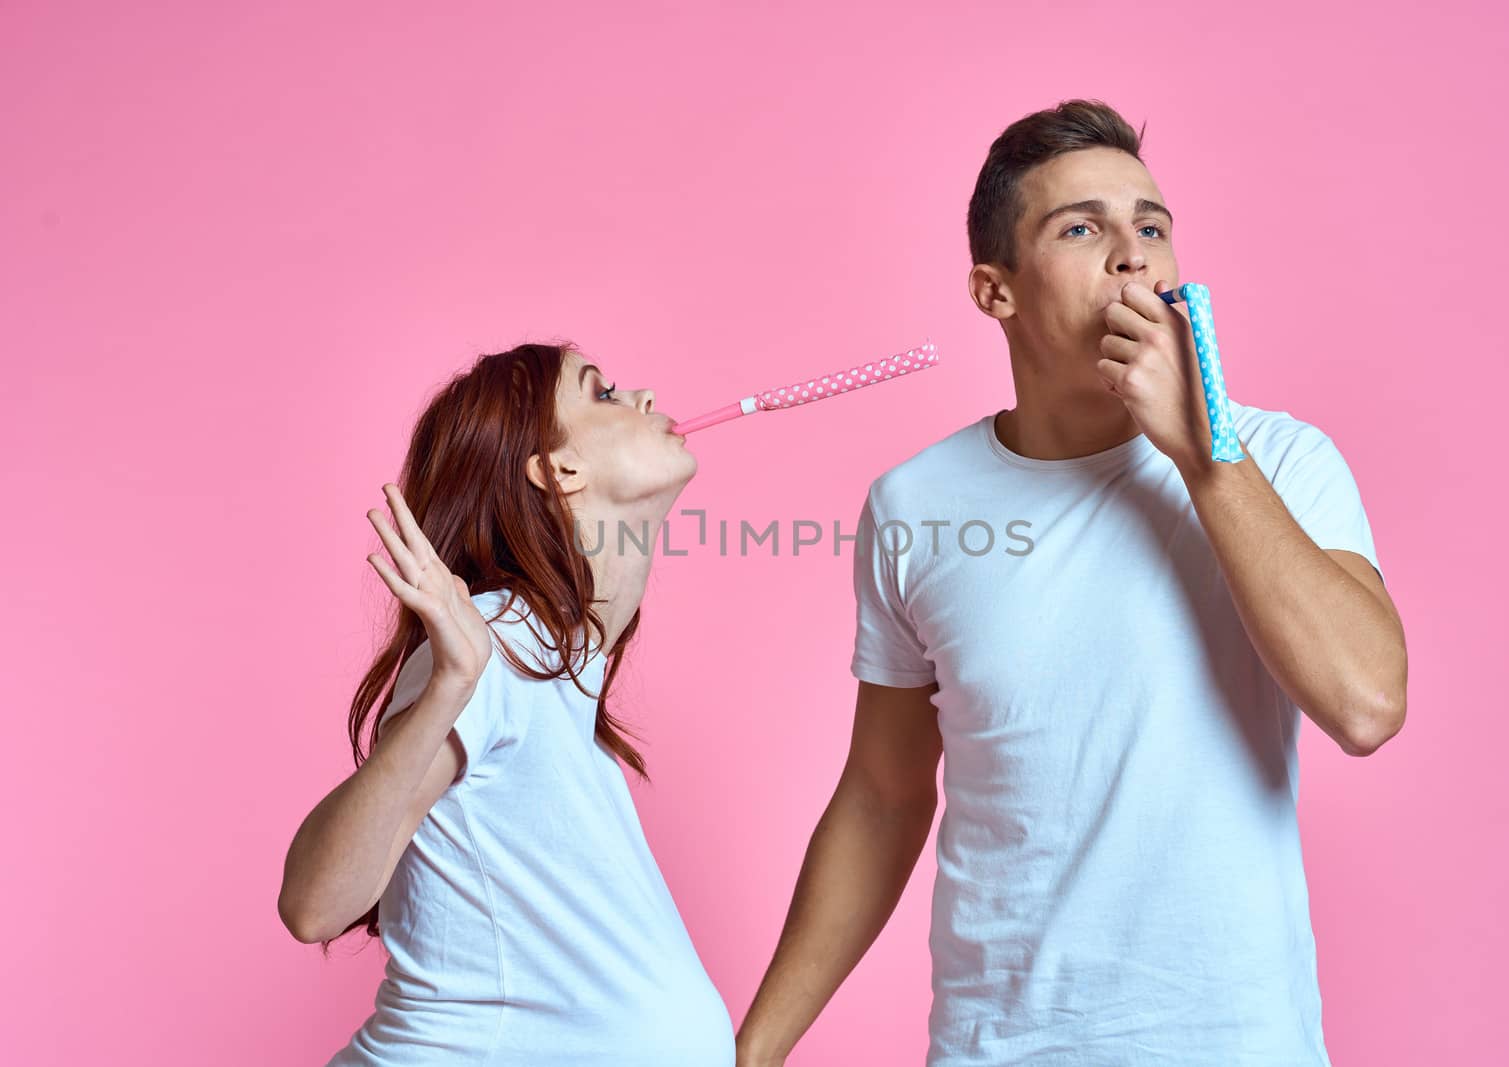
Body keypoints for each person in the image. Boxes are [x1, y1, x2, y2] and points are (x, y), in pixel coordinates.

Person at [736, 100, 1409, 1066]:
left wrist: (1204, 455)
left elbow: (1366, 703)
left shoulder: (1284, 462)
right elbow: (883, 793)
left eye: (1152, 226)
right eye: (1082, 228)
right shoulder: (915, 505)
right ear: (994, 291)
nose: (1132, 255)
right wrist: (755, 1048)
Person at [277, 343, 735, 1065]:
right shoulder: (498, 639)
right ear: (559, 470)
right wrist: (450, 688)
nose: (643, 394)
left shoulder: (560, 660)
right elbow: (313, 904)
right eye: (604, 392)